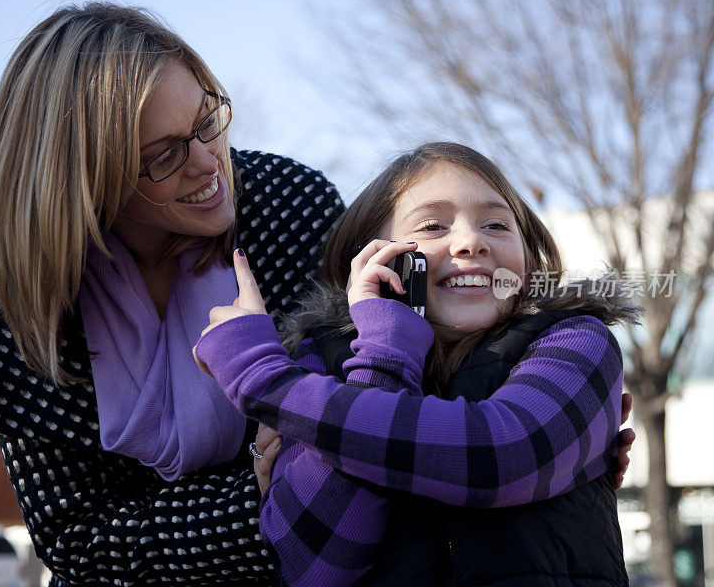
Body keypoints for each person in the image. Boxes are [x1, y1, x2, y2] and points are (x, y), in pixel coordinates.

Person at [0, 2, 344, 586]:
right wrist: (262, 495)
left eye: (206, 120)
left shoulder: (290, 209)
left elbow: (362, 433)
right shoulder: (21, 284)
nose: (207, 162)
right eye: (162, 156)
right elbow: (74, 538)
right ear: (86, 184)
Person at [195, 142, 641, 586]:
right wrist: (386, 351)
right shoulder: (321, 362)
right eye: (432, 226)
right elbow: (317, 565)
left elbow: (500, 454)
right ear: (370, 254)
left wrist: (262, 379)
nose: (471, 241)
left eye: (496, 224)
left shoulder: (577, 340)